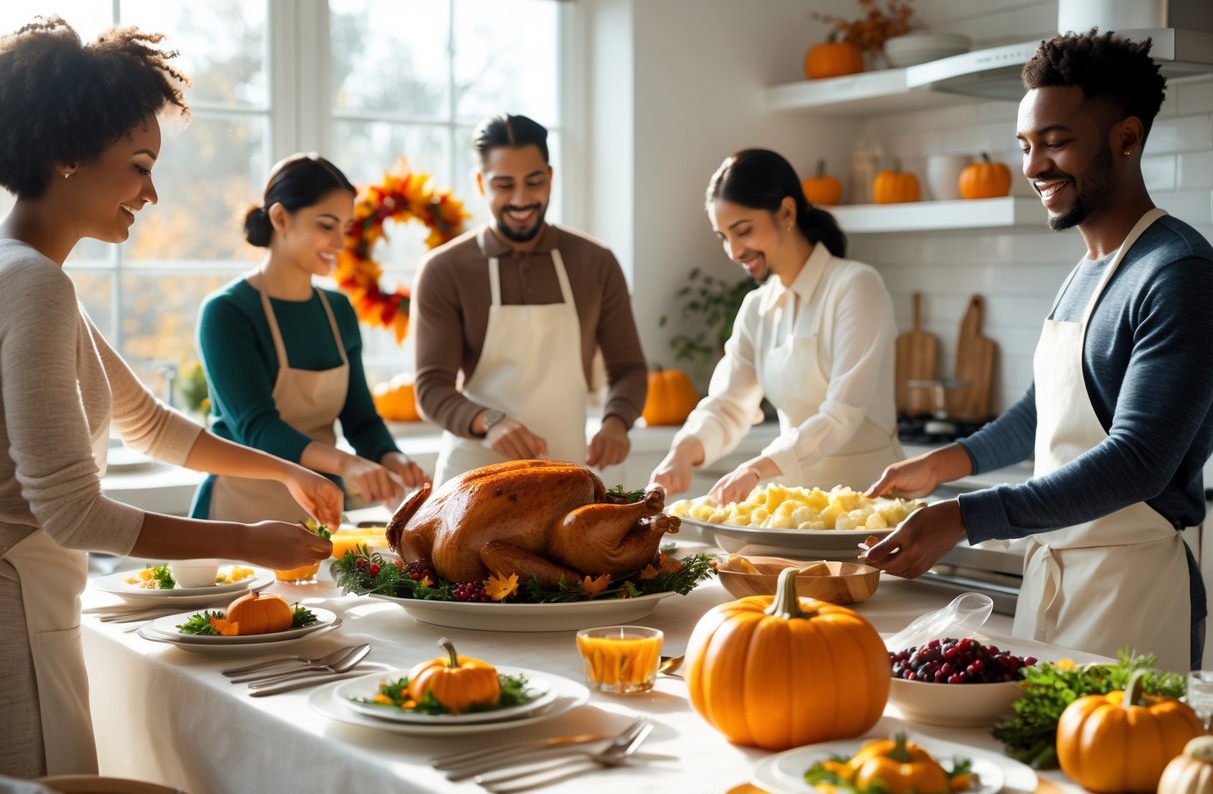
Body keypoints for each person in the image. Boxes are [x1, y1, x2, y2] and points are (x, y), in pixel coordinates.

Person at [0, 18, 337, 778]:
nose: (152, 194)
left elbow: (147, 423)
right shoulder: (34, 284)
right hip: (12, 619)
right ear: (64, 155)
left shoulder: (26, 272)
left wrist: (284, 474)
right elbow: (73, 512)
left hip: (34, 602)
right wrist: (249, 541)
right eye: (139, 166)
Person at [863, 29, 1213, 674]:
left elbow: (1139, 461)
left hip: (1130, 592)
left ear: (1126, 137)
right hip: (1053, 575)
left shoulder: (1178, 271)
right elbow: (1041, 414)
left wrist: (967, 516)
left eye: (1056, 142)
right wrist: (943, 464)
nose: (1033, 166)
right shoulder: (1088, 268)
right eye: (1026, 146)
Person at [650, 149, 903, 504]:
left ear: (786, 212)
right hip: (797, 511)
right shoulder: (757, 307)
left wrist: (759, 467)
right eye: (724, 237)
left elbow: (840, 414)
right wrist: (682, 452)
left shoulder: (856, 287)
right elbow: (728, 405)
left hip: (870, 509)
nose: (734, 251)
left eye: (743, 231)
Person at [191, 154, 429, 524]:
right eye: (326, 225)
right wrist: (349, 464)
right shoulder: (227, 312)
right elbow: (258, 429)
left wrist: (390, 457)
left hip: (323, 513)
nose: (339, 241)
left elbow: (360, 419)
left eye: (345, 228)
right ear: (281, 218)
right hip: (237, 518)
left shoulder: (337, 310)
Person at [412, 113, 648, 486]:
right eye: (504, 185)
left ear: (550, 177)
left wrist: (617, 422)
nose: (521, 199)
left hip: (569, 472)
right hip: (472, 478)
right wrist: (490, 421)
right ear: (480, 183)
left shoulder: (595, 262)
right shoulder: (445, 269)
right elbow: (431, 388)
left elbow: (629, 369)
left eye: (534, 182)